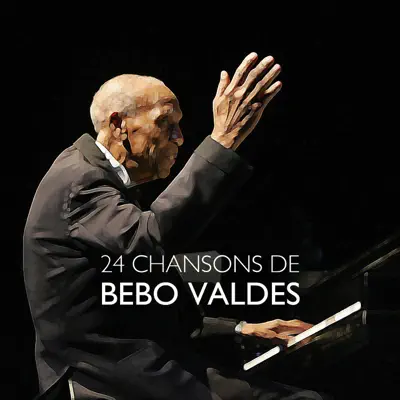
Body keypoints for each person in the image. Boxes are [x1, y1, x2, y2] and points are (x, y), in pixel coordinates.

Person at [23, 52, 328, 399]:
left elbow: (145, 303)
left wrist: (240, 330)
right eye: (166, 123)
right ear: (119, 125)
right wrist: (223, 141)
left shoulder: (96, 179)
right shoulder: (80, 182)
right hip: (106, 378)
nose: (180, 138)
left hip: (128, 365)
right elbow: (152, 239)